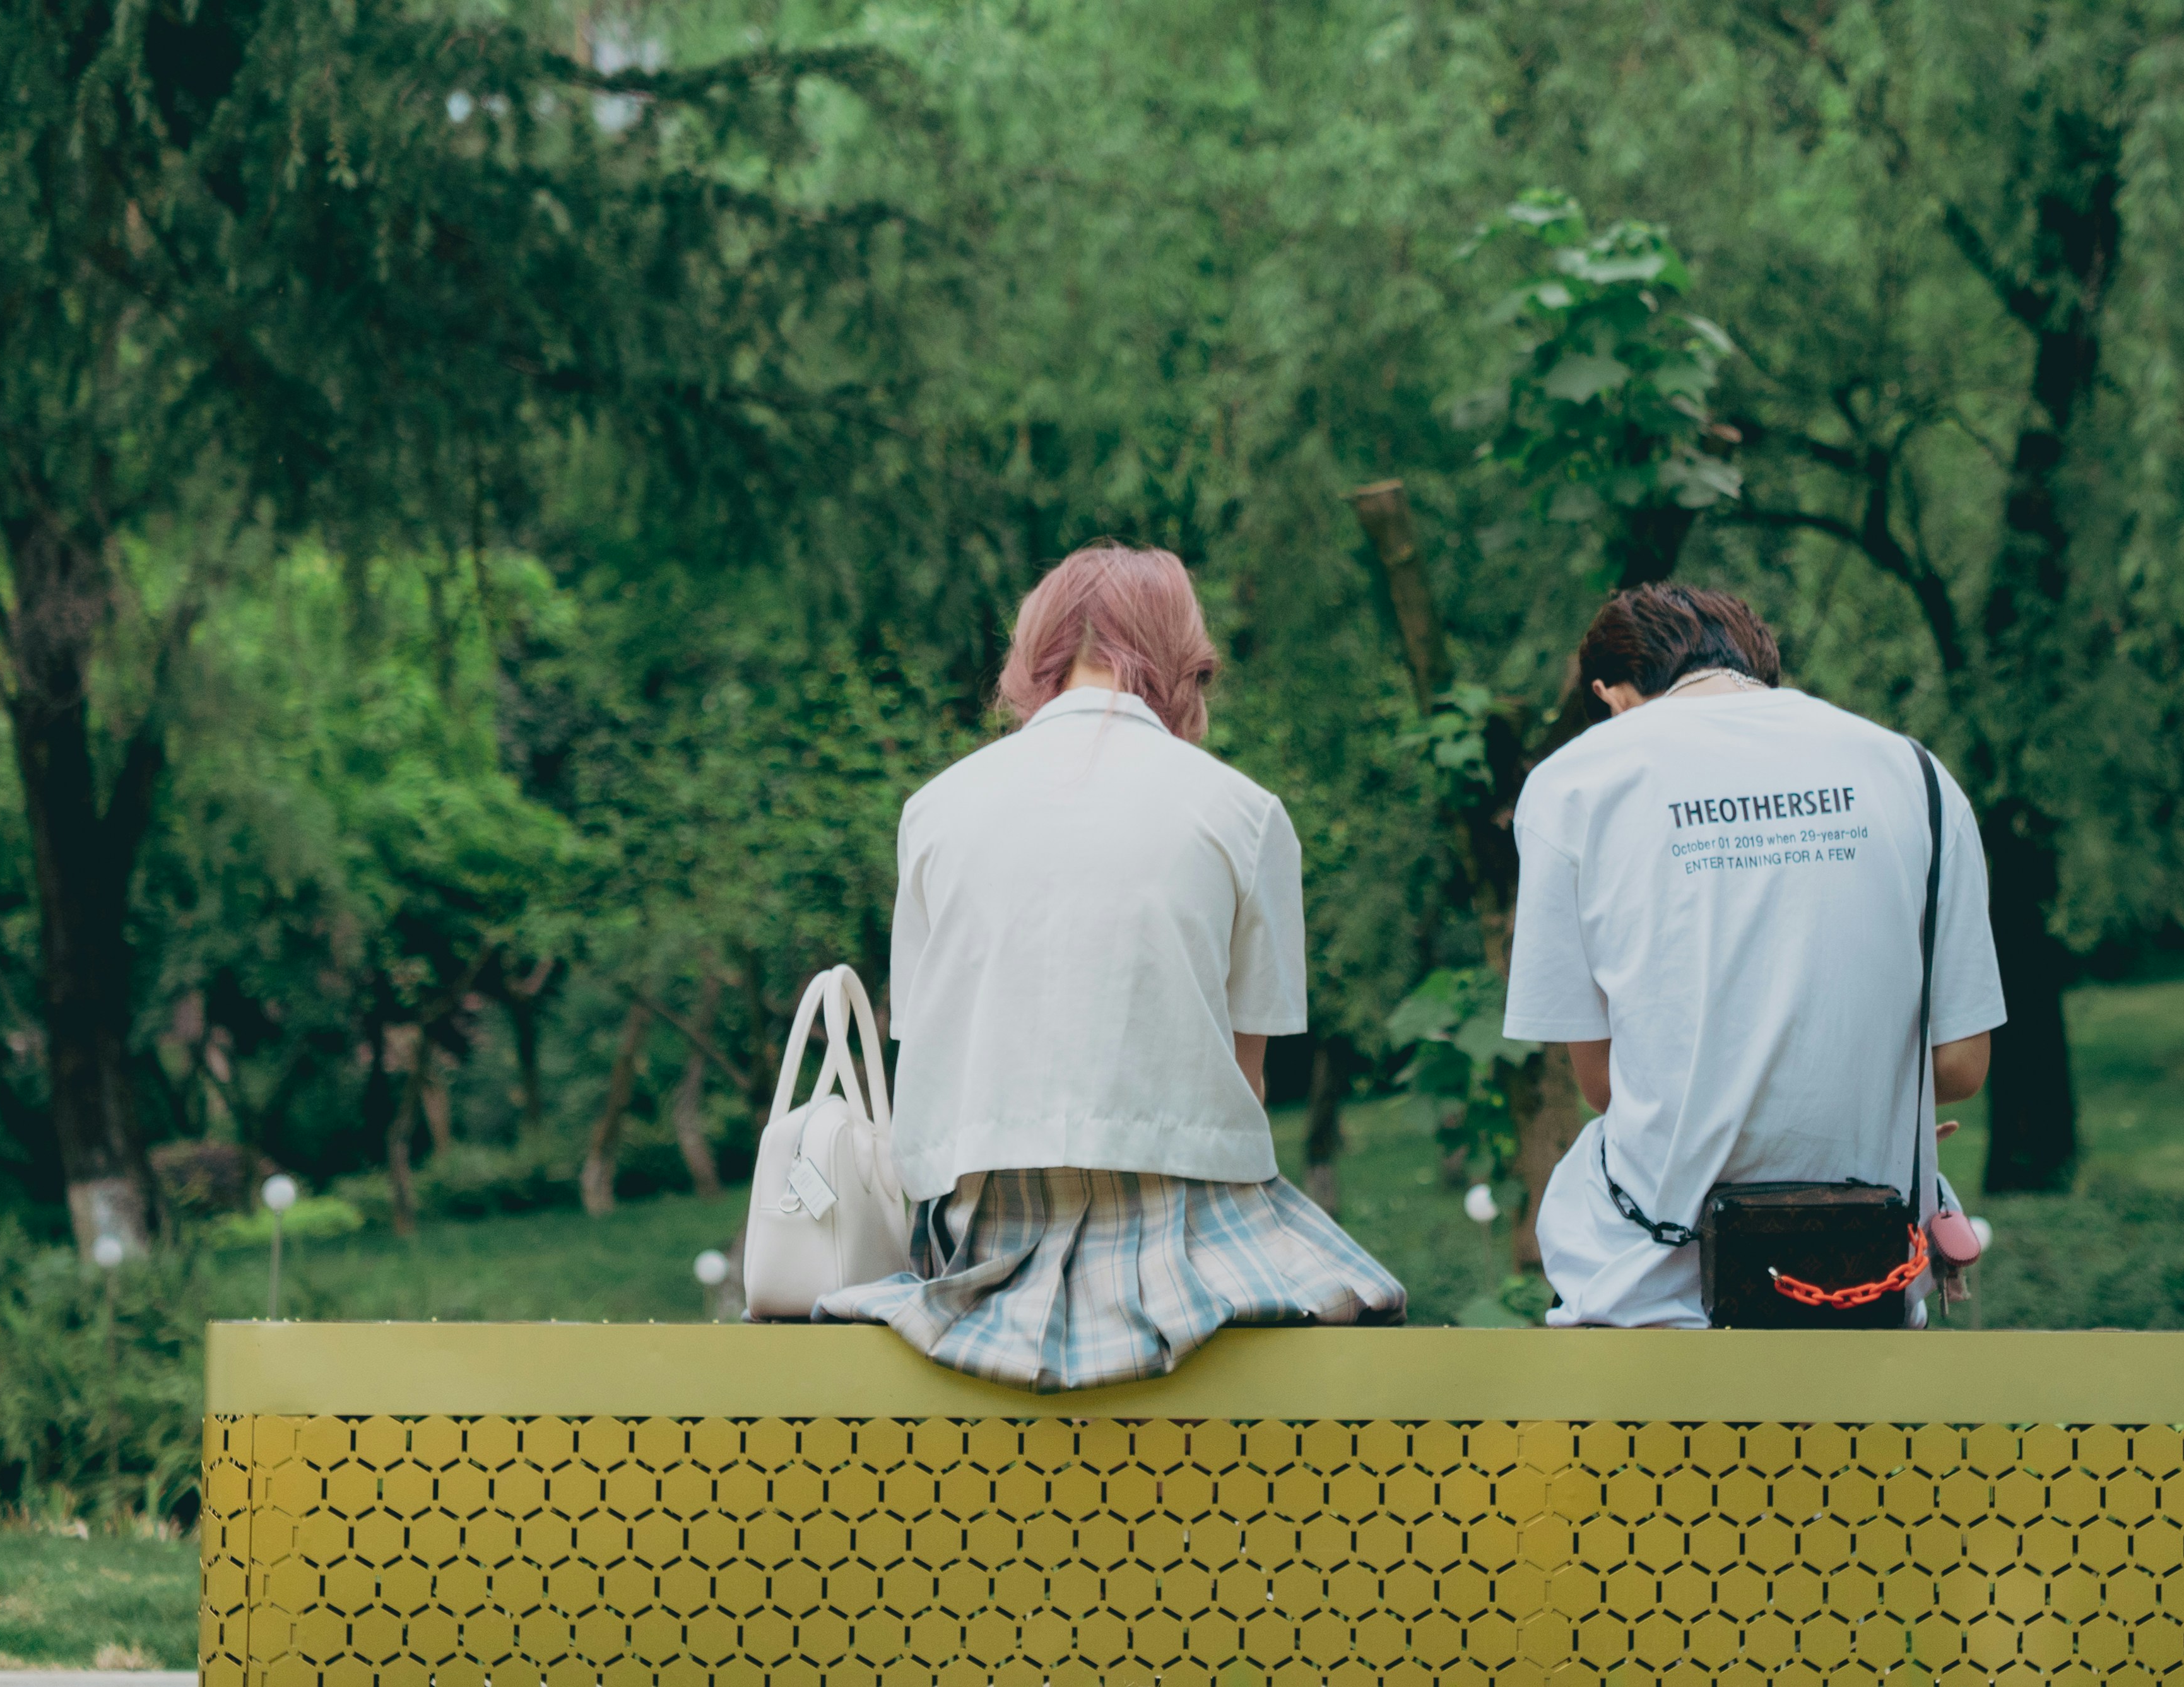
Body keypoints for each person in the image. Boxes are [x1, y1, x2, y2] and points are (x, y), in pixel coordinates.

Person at [820, 543, 1405, 1384]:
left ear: (1034, 657)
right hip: (1195, 1233)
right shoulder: (1247, 813)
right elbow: (1248, 1085)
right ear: (1185, 660)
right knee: (1367, 1299)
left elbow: (930, 1048)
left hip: (982, 1243)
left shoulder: (933, 810)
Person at [1503, 584, 2004, 1327]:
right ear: (1758, 670)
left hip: (1651, 1296)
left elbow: (1606, 1084)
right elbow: (1961, 1067)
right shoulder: (1918, 775)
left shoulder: (1572, 783)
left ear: (1610, 696)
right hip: (1861, 1277)